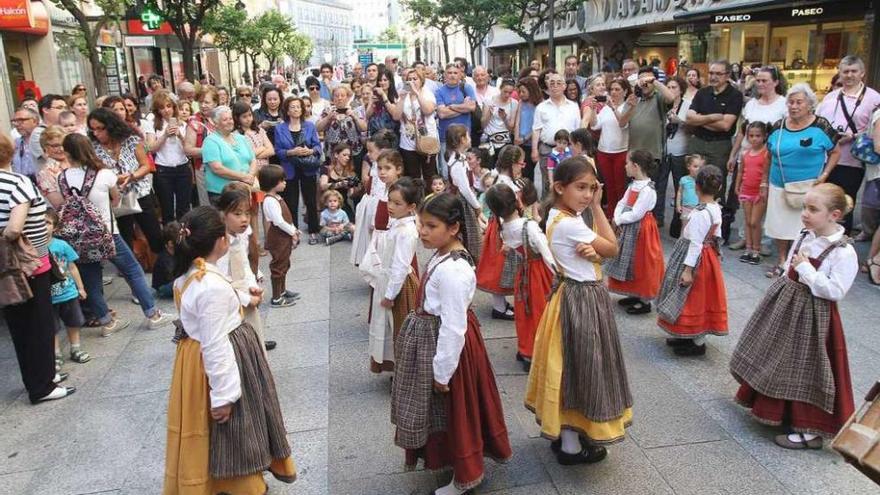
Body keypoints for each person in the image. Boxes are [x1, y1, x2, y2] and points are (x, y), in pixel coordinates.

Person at [163, 207, 296, 494]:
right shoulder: (209, 285)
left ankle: (213, 480)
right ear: (219, 241)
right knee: (235, 426)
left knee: (209, 430)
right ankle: (241, 484)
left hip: (193, 362)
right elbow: (214, 343)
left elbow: (211, 305)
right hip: (220, 360)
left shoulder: (192, 275)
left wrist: (244, 296)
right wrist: (224, 395)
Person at [390, 193, 512, 495]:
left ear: (454, 228)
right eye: (421, 224)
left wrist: (442, 372)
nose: (423, 231)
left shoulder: (455, 270)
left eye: (431, 226)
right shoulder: (444, 255)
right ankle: (448, 460)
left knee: (458, 412)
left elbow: (454, 327)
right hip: (434, 341)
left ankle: (465, 473)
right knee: (441, 412)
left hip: (447, 348)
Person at [730, 183, 857, 450]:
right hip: (787, 303)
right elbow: (790, 263)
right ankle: (773, 408)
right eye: (805, 207)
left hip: (814, 315)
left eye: (813, 209)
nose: (805, 214)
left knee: (807, 367)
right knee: (776, 355)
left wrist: (807, 271)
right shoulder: (806, 234)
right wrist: (785, 276)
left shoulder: (843, 251)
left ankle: (809, 429)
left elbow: (835, 290)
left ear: (834, 215)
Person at [526, 155, 632, 464]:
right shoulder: (571, 223)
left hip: (570, 295)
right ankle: (571, 445)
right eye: (581, 188)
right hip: (582, 300)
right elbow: (613, 247)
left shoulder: (559, 217)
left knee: (569, 365)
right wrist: (599, 207)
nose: (587, 194)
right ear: (560, 188)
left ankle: (567, 436)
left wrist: (594, 257)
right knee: (583, 367)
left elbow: (595, 258)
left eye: (592, 188)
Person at [50, 133, 171, 332]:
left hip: (79, 238)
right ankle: (152, 314)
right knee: (133, 270)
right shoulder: (103, 174)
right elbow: (115, 200)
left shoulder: (61, 177)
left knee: (91, 280)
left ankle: (107, 322)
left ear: (67, 153)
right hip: (107, 232)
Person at [0, 134, 75, 403]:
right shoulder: (17, 182)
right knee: (39, 323)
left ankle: (37, 378)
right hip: (30, 264)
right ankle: (43, 385)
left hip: (5, 270)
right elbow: (15, 227)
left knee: (19, 327)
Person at [765, 83, 841, 278]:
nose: (794, 106)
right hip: (779, 183)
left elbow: (835, 151)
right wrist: (764, 183)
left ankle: (801, 261)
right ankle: (782, 259)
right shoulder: (778, 126)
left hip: (809, 186)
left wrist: (824, 175)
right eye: (791, 102)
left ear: (810, 104)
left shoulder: (821, 125)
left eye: (799, 102)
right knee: (779, 225)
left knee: (805, 225)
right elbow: (769, 155)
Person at [655, 165, 727, 356]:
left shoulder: (701, 213)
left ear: (696, 187)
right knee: (696, 297)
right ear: (718, 188)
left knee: (690, 297)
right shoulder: (715, 208)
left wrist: (688, 270)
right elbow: (717, 234)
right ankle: (686, 335)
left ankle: (696, 342)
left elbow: (695, 243)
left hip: (694, 258)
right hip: (708, 256)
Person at [486, 184, 554, 372]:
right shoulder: (528, 225)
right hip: (540, 273)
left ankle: (526, 349)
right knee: (541, 312)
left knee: (526, 312)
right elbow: (546, 252)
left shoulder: (504, 228)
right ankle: (537, 352)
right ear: (516, 201)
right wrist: (559, 274)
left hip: (524, 272)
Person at [816, 56, 880, 235]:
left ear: (862, 73)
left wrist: (854, 136)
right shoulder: (830, 97)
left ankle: (841, 243)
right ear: (840, 73)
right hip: (826, 159)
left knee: (845, 204)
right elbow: (818, 123)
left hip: (852, 161)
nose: (849, 75)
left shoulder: (874, 98)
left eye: (854, 71)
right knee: (823, 201)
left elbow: (876, 131)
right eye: (845, 71)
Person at [726, 65, 787, 248]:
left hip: (769, 160)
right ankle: (746, 237)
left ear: (775, 82)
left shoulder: (783, 104)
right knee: (745, 197)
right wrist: (733, 154)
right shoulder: (751, 104)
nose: (760, 84)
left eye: (764, 81)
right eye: (758, 80)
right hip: (747, 157)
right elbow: (741, 132)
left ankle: (762, 242)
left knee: (764, 199)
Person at [89, 108, 164, 255]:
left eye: (100, 128)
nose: (96, 133)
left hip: (140, 193)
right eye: (93, 130)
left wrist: (132, 175)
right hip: (116, 197)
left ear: (110, 126)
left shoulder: (131, 141)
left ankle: (162, 263)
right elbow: (94, 174)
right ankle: (132, 269)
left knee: (154, 233)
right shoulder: (93, 148)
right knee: (124, 237)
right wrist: (114, 179)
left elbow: (146, 166)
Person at [367, 177, 421, 374]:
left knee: (399, 329)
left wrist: (390, 295)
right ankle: (396, 368)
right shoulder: (398, 225)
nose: (391, 206)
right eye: (390, 201)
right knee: (390, 328)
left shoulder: (407, 231)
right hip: (389, 281)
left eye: (397, 203)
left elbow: (400, 266)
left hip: (399, 286)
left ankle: (406, 371)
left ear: (411, 206)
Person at [686, 60, 744, 237]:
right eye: (711, 73)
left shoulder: (734, 95)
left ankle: (716, 230)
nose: (713, 77)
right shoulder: (702, 93)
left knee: (715, 185)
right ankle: (694, 225)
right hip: (698, 141)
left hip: (720, 145)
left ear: (727, 75)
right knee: (694, 184)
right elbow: (689, 118)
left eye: (718, 74)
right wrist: (713, 117)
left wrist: (701, 119)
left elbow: (726, 125)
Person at [215, 187, 277, 351]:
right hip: (232, 300)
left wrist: (253, 284)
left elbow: (244, 263)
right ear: (223, 215)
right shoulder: (220, 245)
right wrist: (245, 299)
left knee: (254, 333)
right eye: (237, 214)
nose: (244, 219)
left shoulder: (240, 235)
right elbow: (219, 281)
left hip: (246, 292)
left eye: (247, 213)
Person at [606, 150, 666, 315]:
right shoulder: (633, 185)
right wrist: (617, 215)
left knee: (642, 262)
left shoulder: (647, 190)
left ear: (636, 166)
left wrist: (619, 219)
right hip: (630, 226)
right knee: (629, 260)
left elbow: (637, 213)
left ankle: (644, 300)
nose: (625, 166)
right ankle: (634, 292)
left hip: (642, 230)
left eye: (627, 163)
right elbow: (622, 202)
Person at [476, 145, 524, 320]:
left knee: (499, 266)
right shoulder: (505, 184)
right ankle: (498, 307)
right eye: (521, 163)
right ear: (512, 164)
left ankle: (500, 304)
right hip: (503, 229)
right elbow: (504, 209)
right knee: (499, 267)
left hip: (498, 227)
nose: (522, 167)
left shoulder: (500, 178)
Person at [628, 66, 675, 227]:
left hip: (653, 155)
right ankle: (636, 223)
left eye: (648, 80)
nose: (644, 83)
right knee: (635, 192)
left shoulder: (658, 97)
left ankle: (652, 225)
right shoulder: (635, 98)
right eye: (642, 79)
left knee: (652, 193)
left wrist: (654, 81)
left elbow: (671, 98)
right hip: (634, 155)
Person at [274, 97, 323, 244]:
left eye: (298, 107)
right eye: (292, 107)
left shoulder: (309, 126)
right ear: (287, 110)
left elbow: (318, 147)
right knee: (291, 201)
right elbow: (278, 151)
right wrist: (291, 152)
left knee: (310, 200)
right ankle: (293, 231)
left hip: (307, 167)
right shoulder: (279, 128)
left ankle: (313, 230)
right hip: (289, 168)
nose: (296, 109)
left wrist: (310, 151)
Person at [45, 209, 90, 368]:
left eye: (47, 223)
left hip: (68, 292)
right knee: (52, 327)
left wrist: (80, 287)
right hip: (48, 296)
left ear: (55, 227)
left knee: (73, 322)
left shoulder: (61, 245)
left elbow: (72, 267)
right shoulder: (34, 247)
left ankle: (75, 348)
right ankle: (55, 354)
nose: (44, 227)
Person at [585, 76, 634, 217]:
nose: (613, 92)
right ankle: (611, 213)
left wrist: (613, 107)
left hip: (620, 152)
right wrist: (594, 109)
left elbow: (623, 124)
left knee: (620, 187)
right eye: (611, 89)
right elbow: (594, 125)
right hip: (603, 152)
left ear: (625, 92)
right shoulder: (605, 108)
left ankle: (620, 216)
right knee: (609, 185)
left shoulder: (628, 107)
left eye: (617, 89)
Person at [531, 73, 582, 199]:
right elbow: (536, 129)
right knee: (548, 184)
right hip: (547, 149)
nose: (555, 86)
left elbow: (577, 129)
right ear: (547, 85)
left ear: (564, 86)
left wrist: (577, 150)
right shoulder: (541, 107)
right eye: (552, 83)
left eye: (559, 83)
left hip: (568, 150)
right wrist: (534, 150)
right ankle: (547, 213)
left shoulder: (573, 106)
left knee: (568, 181)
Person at [360, 150, 404, 290]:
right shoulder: (384, 188)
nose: (382, 172)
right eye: (379, 168)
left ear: (398, 169)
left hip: (392, 240)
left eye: (387, 168)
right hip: (381, 238)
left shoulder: (399, 191)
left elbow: (403, 218)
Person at [350, 130, 395, 266]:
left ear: (383, 151)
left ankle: (377, 267)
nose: (368, 154)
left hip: (376, 205)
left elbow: (382, 193)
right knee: (368, 238)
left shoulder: (384, 170)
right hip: (369, 203)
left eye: (371, 151)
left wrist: (376, 216)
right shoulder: (375, 165)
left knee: (376, 241)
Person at [258, 164, 299, 307]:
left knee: (284, 263)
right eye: (282, 180)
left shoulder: (277, 197)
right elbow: (279, 221)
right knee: (278, 266)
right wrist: (292, 231)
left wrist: (293, 228)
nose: (285, 182)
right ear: (273, 183)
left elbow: (287, 219)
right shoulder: (270, 200)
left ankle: (282, 291)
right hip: (278, 237)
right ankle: (276, 298)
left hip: (284, 236)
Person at [147, 91, 191, 223]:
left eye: (168, 106)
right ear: (157, 110)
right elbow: (150, 148)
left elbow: (189, 149)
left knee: (183, 209)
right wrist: (165, 135)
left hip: (182, 168)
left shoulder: (183, 124)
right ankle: (170, 239)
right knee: (167, 209)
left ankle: (183, 238)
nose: (166, 110)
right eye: (162, 108)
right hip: (163, 170)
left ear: (173, 107)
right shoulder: (153, 125)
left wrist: (180, 135)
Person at [200, 106, 258, 206]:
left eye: (230, 118)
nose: (229, 121)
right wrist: (243, 177)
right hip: (222, 192)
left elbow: (253, 159)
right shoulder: (210, 141)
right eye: (225, 119)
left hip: (246, 188)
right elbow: (217, 168)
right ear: (215, 123)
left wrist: (250, 177)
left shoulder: (241, 138)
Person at [445, 124, 484, 260]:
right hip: (463, 202)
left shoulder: (461, 159)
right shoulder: (457, 163)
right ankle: (469, 258)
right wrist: (477, 206)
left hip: (465, 198)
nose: (469, 138)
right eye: (467, 136)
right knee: (469, 232)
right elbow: (465, 189)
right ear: (462, 139)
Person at [735, 122, 771, 265]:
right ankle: (748, 249)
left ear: (764, 136)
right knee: (748, 222)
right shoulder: (745, 154)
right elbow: (741, 171)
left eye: (758, 136)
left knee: (755, 222)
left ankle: (756, 250)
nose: (754, 139)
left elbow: (766, 172)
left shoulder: (767, 153)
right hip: (746, 190)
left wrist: (765, 187)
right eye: (751, 136)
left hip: (759, 192)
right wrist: (737, 186)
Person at [663, 76, 694, 237]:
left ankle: (677, 225)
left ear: (681, 89)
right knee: (660, 187)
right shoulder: (664, 105)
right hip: (665, 150)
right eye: (668, 87)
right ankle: (658, 221)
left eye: (674, 87)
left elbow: (692, 127)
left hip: (680, 150)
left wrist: (679, 121)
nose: (671, 90)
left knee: (679, 188)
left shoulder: (687, 105)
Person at [435, 63, 477, 177]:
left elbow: (472, 107)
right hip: (446, 137)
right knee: (446, 170)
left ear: (460, 75)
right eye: (449, 73)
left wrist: (451, 106)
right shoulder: (439, 91)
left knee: (466, 168)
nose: (452, 75)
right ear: (444, 75)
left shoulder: (466, 88)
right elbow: (442, 114)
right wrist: (463, 106)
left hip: (464, 137)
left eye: (455, 73)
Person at [396, 68, 438, 180]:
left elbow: (428, 110)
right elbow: (396, 116)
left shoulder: (427, 93)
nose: (412, 81)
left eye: (415, 79)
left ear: (421, 80)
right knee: (413, 175)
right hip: (407, 142)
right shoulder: (403, 94)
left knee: (429, 175)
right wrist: (401, 98)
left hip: (427, 139)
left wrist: (417, 93)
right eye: (409, 79)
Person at [184, 85, 219, 207]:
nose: (203, 105)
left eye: (207, 102)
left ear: (215, 103)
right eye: (200, 102)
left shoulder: (222, 117)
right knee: (208, 205)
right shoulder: (194, 122)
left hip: (225, 167)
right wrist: (214, 151)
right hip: (204, 169)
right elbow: (188, 150)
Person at [317, 86, 367, 162]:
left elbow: (364, 128)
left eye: (342, 96)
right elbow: (318, 128)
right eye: (336, 96)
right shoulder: (327, 111)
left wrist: (354, 116)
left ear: (347, 98)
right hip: (333, 154)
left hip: (352, 153)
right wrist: (328, 118)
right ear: (333, 98)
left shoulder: (354, 110)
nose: (339, 98)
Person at [319, 143, 360, 222]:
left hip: (343, 205)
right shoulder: (326, 169)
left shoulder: (350, 173)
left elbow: (350, 195)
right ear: (336, 155)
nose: (347, 158)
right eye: (344, 155)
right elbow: (323, 186)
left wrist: (354, 188)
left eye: (349, 156)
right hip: (329, 206)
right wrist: (340, 184)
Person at [514, 77, 543, 182]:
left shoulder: (540, 104)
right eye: (519, 91)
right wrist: (516, 138)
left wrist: (525, 138)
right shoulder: (521, 103)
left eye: (523, 91)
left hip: (533, 142)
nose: (521, 94)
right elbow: (517, 122)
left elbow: (538, 126)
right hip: (520, 142)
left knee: (532, 173)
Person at [481, 78, 518, 161]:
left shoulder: (514, 103)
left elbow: (511, 128)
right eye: (505, 92)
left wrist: (504, 118)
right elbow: (483, 125)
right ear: (500, 88)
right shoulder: (489, 100)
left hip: (505, 141)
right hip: (489, 140)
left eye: (510, 93)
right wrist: (489, 114)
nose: (507, 95)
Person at [31, 94, 68, 168]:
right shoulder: (38, 133)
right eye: (60, 107)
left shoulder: (68, 128)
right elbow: (50, 159)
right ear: (45, 110)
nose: (64, 111)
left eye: (65, 108)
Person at [366, 68, 401, 137]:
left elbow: (394, 114)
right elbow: (367, 115)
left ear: (390, 81)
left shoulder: (396, 96)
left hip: (391, 134)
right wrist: (372, 104)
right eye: (380, 80)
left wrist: (383, 95)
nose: (382, 83)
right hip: (375, 133)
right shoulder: (374, 94)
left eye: (385, 80)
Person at [11, 108, 40, 182]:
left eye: (21, 120)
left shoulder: (44, 141)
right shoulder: (14, 144)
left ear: (35, 121)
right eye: (15, 121)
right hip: (22, 186)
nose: (17, 124)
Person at [676, 154, 704, 228]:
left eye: (700, 167)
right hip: (686, 208)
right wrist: (678, 205)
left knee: (697, 228)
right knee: (685, 228)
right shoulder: (684, 179)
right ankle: (682, 239)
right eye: (695, 166)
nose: (698, 169)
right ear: (688, 167)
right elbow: (679, 192)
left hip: (699, 209)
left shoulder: (702, 181)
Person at [152, 222, 178, 299]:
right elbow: (171, 276)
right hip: (163, 288)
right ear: (171, 243)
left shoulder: (176, 253)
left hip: (171, 282)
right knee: (182, 281)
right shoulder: (164, 258)